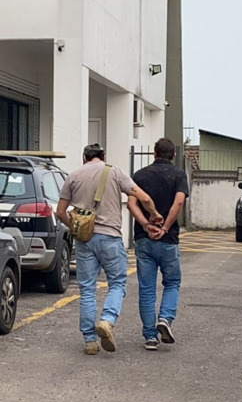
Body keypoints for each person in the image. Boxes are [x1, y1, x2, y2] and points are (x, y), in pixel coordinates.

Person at [57, 144, 162, 355]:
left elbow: (60, 212)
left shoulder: (73, 176)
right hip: (111, 238)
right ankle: (107, 320)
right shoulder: (115, 172)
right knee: (117, 283)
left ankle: (90, 341)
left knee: (87, 289)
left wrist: (77, 228)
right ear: (104, 156)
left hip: (85, 240)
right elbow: (144, 198)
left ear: (84, 157)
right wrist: (154, 215)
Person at [127, 138, 189, 350]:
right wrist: (165, 228)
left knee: (147, 289)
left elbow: (131, 203)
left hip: (144, 239)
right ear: (174, 155)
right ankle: (165, 319)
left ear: (154, 153)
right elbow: (178, 202)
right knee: (172, 283)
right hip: (168, 240)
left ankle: (150, 337)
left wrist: (146, 225)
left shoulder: (140, 175)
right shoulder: (179, 175)